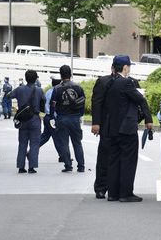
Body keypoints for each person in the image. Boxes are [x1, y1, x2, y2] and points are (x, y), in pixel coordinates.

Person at [103, 55, 152, 202]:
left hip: (112, 127)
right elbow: (140, 99)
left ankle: (112, 193)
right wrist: (148, 119)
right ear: (125, 67)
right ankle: (125, 193)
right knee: (128, 160)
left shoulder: (110, 82)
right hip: (126, 128)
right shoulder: (126, 83)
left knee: (114, 160)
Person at [50, 65, 86, 173]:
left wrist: (52, 117)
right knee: (77, 143)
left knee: (64, 143)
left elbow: (52, 104)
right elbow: (83, 102)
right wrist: (81, 115)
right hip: (75, 118)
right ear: (70, 74)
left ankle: (68, 165)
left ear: (61, 75)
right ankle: (81, 166)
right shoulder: (78, 87)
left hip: (62, 118)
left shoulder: (57, 89)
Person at [10, 70, 43, 174]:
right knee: (34, 143)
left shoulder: (19, 89)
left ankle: (20, 167)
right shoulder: (39, 90)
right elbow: (44, 102)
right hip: (35, 119)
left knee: (22, 143)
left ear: (25, 78)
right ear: (36, 79)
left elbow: (9, 95)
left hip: (23, 119)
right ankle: (32, 167)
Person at [91, 65, 116, 199]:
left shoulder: (132, 82)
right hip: (106, 125)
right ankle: (101, 187)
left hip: (123, 127)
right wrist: (96, 123)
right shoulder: (103, 81)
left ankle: (117, 187)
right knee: (104, 157)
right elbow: (97, 102)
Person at [40, 75, 63, 162]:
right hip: (53, 118)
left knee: (45, 136)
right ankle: (62, 156)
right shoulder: (57, 92)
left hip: (47, 117)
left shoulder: (48, 92)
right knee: (57, 137)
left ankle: (32, 151)